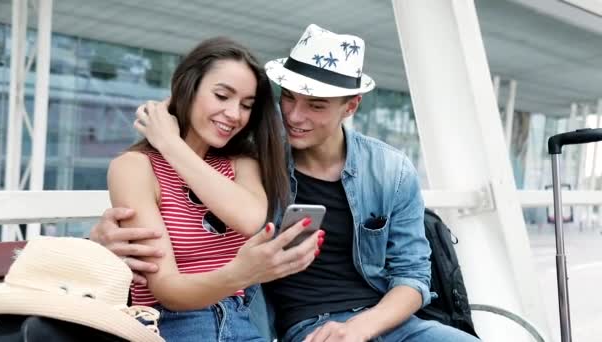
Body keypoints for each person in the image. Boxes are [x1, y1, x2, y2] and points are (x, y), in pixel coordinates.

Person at [92, 25, 480, 341]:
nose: (295, 116)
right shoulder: (262, 155)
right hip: (295, 325)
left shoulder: (389, 170)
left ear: (351, 106)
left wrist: (359, 328)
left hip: (384, 319)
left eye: (316, 105)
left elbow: (413, 276)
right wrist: (97, 239)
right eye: (289, 99)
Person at [105, 37, 323, 341]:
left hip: (240, 321)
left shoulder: (242, 163)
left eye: (246, 105)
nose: (234, 114)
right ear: (188, 87)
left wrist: (170, 144)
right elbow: (167, 289)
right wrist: (240, 273)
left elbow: (248, 218)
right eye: (222, 95)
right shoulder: (133, 167)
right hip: (172, 325)